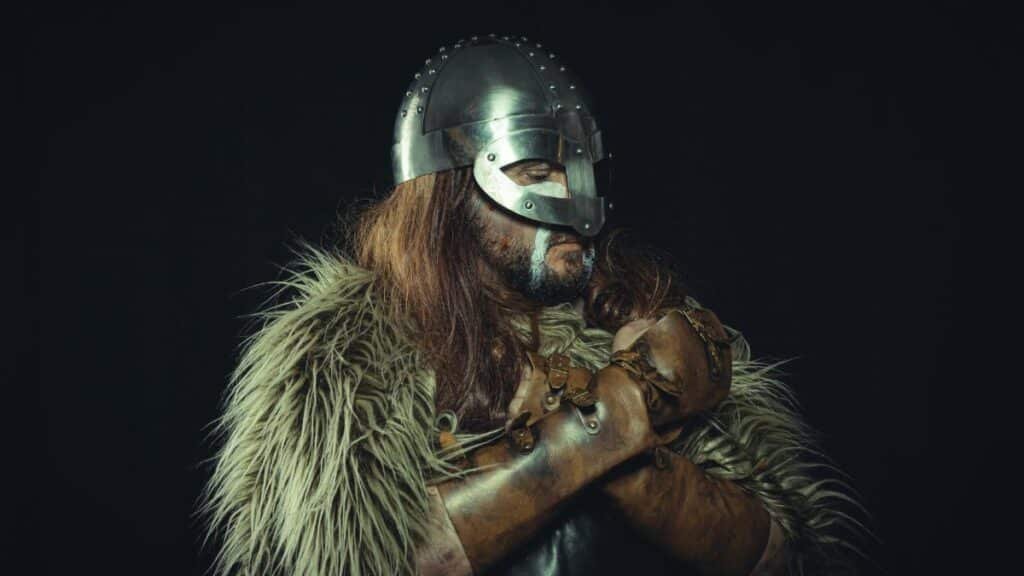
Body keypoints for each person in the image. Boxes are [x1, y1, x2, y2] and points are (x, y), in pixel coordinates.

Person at [200, 35, 866, 575]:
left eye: (579, 172)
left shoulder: (635, 322)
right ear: (451, 194)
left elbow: (789, 553)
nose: (575, 206)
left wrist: (626, 439)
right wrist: (605, 426)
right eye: (537, 172)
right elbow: (351, 562)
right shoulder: (343, 354)